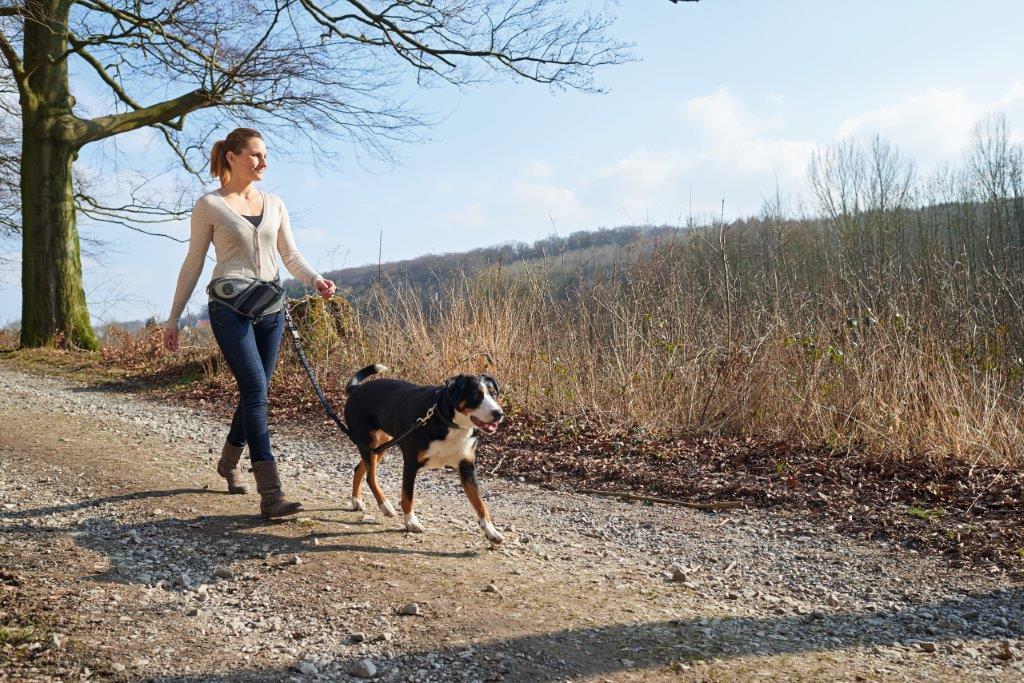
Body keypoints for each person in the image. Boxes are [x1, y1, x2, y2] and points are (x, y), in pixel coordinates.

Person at [163, 127, 336, 518]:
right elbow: (193, 263)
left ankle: (227, 463)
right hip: (229, 308)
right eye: (256, 155)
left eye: (265, 155)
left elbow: (289, 254)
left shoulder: (274, 203)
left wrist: (315, 279)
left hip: (271, 308)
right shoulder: (210, 205)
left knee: (255, 391)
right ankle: (271, 494)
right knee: (256, 388)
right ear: (233, 157)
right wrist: (173, 317)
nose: (264, 162)